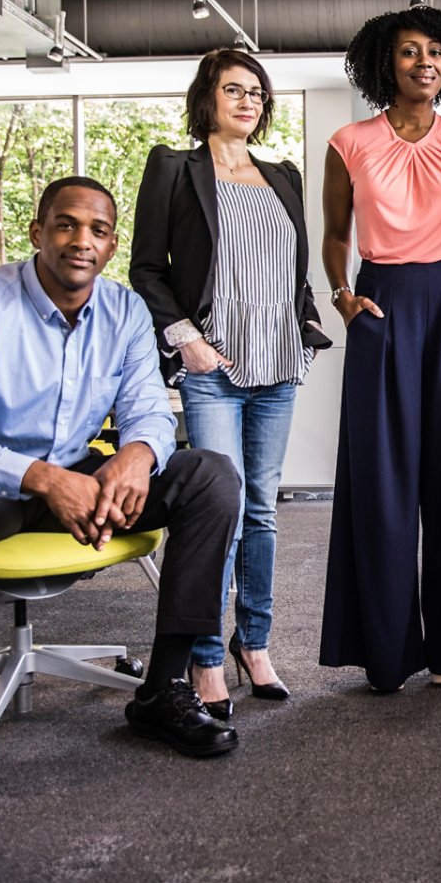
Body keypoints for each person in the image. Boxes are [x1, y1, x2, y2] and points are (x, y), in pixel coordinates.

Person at [0, 176, 241, 824]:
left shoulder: (126, 311)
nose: (83, 240)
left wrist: (137, 455)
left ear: (110, 247)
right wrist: (45, 478)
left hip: (82, 472)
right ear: (38, 232)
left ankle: (162, 690)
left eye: (98, 231)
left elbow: (146, 411)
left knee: (210, 476)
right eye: (67, 225)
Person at [130, 48, 330, 716]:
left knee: (264, 513)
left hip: (277, 364)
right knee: (222, 514)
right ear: (207, 97)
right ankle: (205, 657)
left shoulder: (284, 176)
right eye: (234, 90)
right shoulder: (173, 169)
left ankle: (255, 643)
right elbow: (146, 269)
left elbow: (294, 269)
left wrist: (304, 327)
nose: (248, 102)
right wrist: (186, 340)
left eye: (258, 93)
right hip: (213, 365)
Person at [318, 6, 441, 692]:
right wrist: (342, 296)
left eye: (434, 51)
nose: (423, 62)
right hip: (384, 309)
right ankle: (387, 648)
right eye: (408, 52)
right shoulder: (349, 142)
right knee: (383, 481)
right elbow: (335, 237)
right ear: (385, 65)